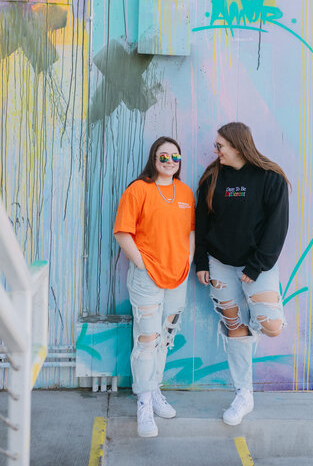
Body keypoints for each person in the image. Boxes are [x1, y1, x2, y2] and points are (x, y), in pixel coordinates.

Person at [195, 122, 289, 425]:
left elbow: (277, 226)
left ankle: (259, 316)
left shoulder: (270, 177)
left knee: (271, 325)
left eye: (220, 145)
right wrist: (201, 262)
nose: (216, 150)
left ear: (237, 145)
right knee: (234, 323)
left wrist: (256, 265)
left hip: (256, 265)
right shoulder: (213, 177)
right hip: (220, 262)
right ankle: (243, 394)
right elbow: (202, 223)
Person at [114, 136, 195, 438]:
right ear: (154, 159)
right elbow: (123, 233)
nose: (170, 162)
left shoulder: (185, 192)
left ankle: (155, 389)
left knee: (165, 338)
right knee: (147, 339)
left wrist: (186, 261)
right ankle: (144, 402)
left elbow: (189, 232)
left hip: (177, 277)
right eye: (164, 157)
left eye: (176, 157)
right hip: (147, 277)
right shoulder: (138, 190)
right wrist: (143, 265)